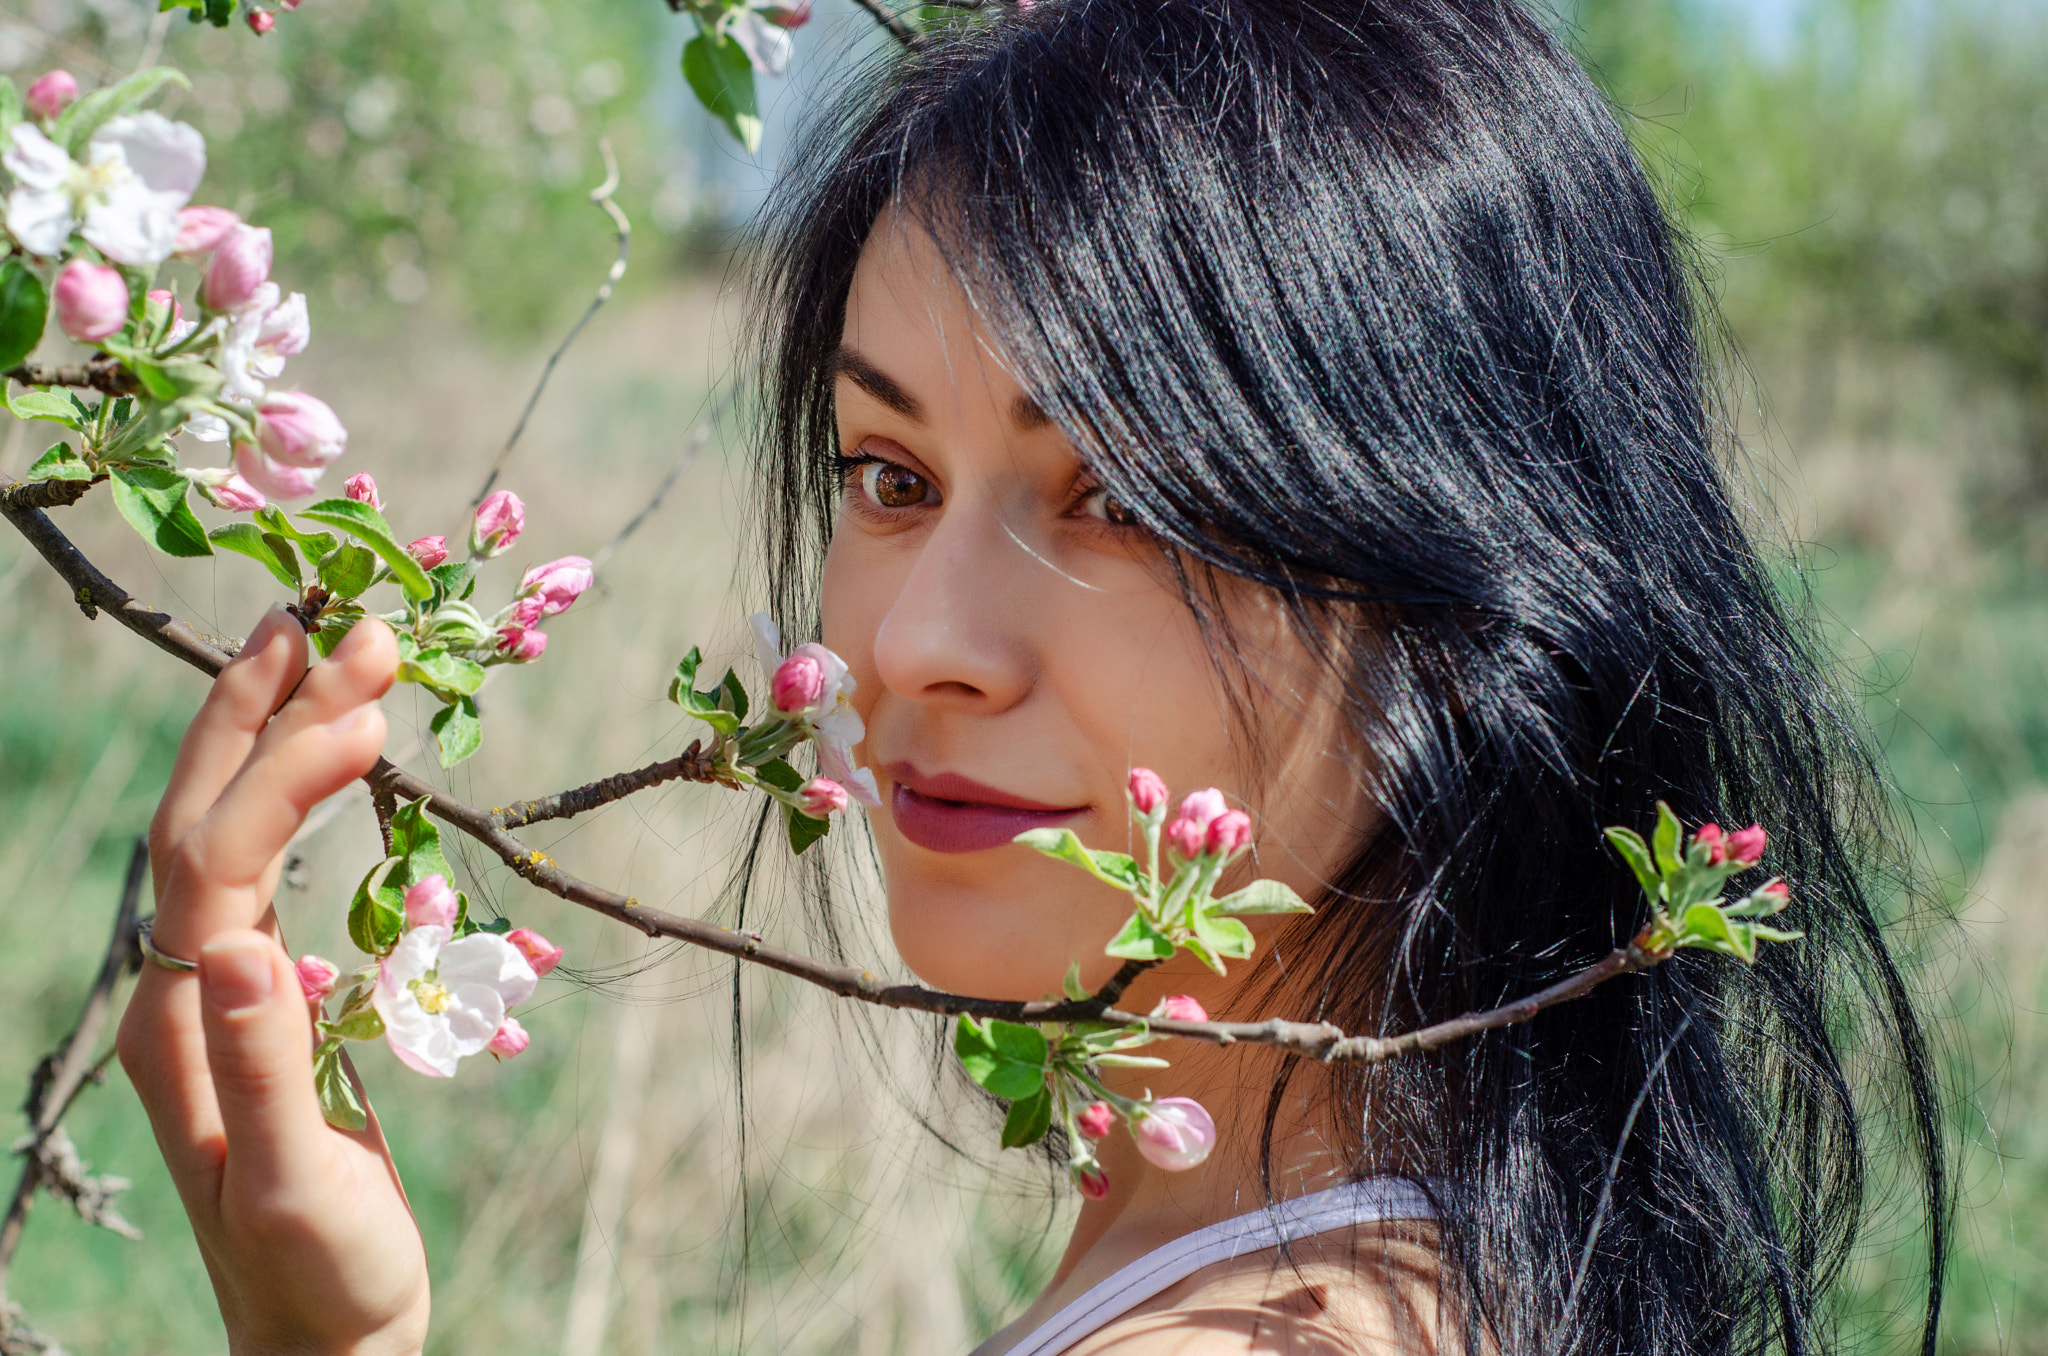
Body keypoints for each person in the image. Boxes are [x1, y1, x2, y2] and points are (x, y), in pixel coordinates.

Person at [116, 0, 1950, 1351]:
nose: (905, 645)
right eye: (890, 480)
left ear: (1471, 594)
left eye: (1130, 503)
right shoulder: (1355, 1244)